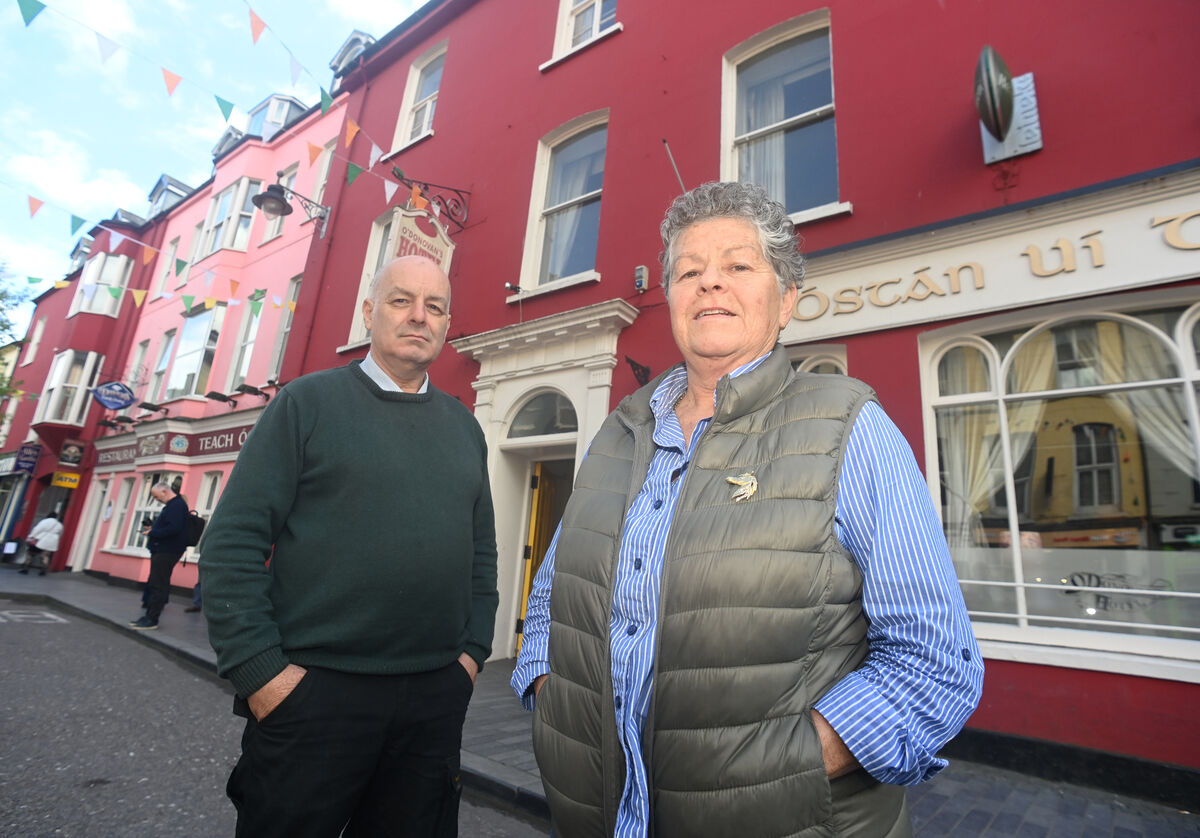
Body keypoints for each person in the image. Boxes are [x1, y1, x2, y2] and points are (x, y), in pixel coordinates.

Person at [512, 182, 984, 837]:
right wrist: (551, 703)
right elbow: (552, 597)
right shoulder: (617, 434)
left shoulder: (849, 427)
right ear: (670, 298)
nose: (710, 283)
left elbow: (933, 661)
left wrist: (789, 768)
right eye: (689, 272)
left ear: (785, 299)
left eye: (737, 265)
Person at [200, 255, 499, 838]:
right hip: (313, 696)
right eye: (401, 300)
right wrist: (263, 676)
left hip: (433, 699)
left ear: (446, 323)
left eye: (435, 306)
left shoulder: (464, 426)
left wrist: (470, 655)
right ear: (369, 312)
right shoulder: (306, 404)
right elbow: (232, 542)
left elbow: (481, 552)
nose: (419, 316)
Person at [129, 483, 188, 630]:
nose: (156, 499)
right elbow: (170, 526)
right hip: (164, 550)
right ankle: (148, 616)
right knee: (156, 584)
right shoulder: (174, 505)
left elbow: (173, 528)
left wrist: (152, 532)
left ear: (164, 491)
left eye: (156, 496)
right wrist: (154, 528)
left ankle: (152, 619)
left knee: (158, 585)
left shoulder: (176, 505)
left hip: (167, 551)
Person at [19, 511, 63, 575]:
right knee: (45, 556)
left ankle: (25, 569)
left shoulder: (45, 521)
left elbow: (37, 529)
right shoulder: (59, 525)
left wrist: (31, 536)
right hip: (52, 541)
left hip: (41, 540)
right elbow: (60, 534)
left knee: (30, 554)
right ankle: (43, 570)